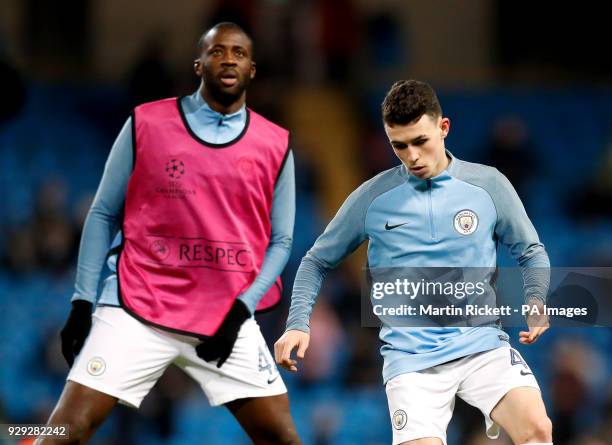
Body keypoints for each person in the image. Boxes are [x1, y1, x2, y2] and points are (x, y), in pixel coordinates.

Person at [36, 22, 300, 445]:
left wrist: (240, 312)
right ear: (199, 64)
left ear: (252, 69)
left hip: (223, 318)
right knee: (64, 430)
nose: (228, 58)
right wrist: (83, 300)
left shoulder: (276, 143)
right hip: (138, 303)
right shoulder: (146, 123)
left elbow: (282, 240)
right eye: (217, 51)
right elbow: (103, 212)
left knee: (282, 437)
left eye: (239, 52)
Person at [275, 80, 553, 445]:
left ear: (443, 128)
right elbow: (316, 261)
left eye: (420, 141)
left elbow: (531, 250)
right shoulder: (373, 198)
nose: (413, 157)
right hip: (412, 361)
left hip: (482, 346)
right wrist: (298, 322)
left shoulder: (488, 185)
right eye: (399, 146)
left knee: (537, 428)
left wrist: (536, 300)